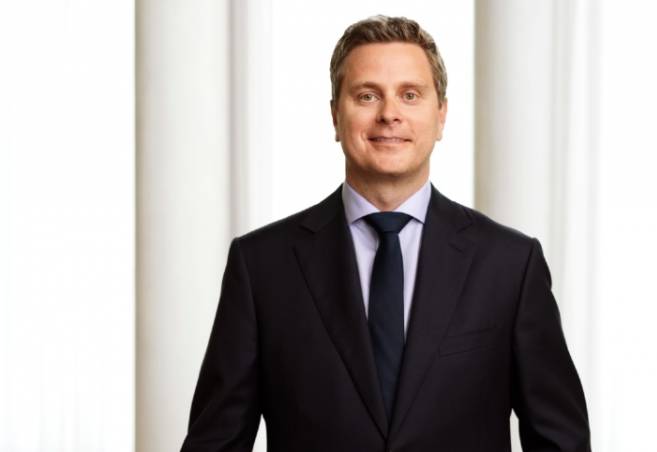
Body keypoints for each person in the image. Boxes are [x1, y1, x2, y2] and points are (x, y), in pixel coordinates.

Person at [181, 15, 590, 452]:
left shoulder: (510, 265)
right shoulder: (262, 266)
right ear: (335, 115)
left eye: (410, 95)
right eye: (367, 95)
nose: (389, 114)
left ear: (441, 115)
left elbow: (560, 442)